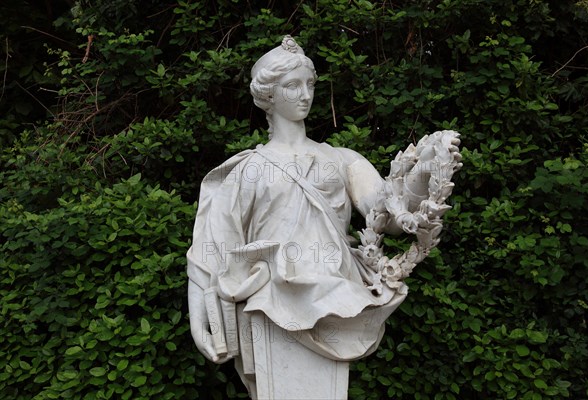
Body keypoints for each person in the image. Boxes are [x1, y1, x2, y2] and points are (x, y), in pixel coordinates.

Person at [187, 35, 460, 399]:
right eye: (292, 85)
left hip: (333, 294)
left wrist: (425, 170)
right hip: (269, 299)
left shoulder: (341, 160)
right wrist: (198, 318)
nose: (304, 94)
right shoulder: (246, 170)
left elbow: (389, 213)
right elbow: (211, 247)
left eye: (309, 84)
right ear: (268, 95)